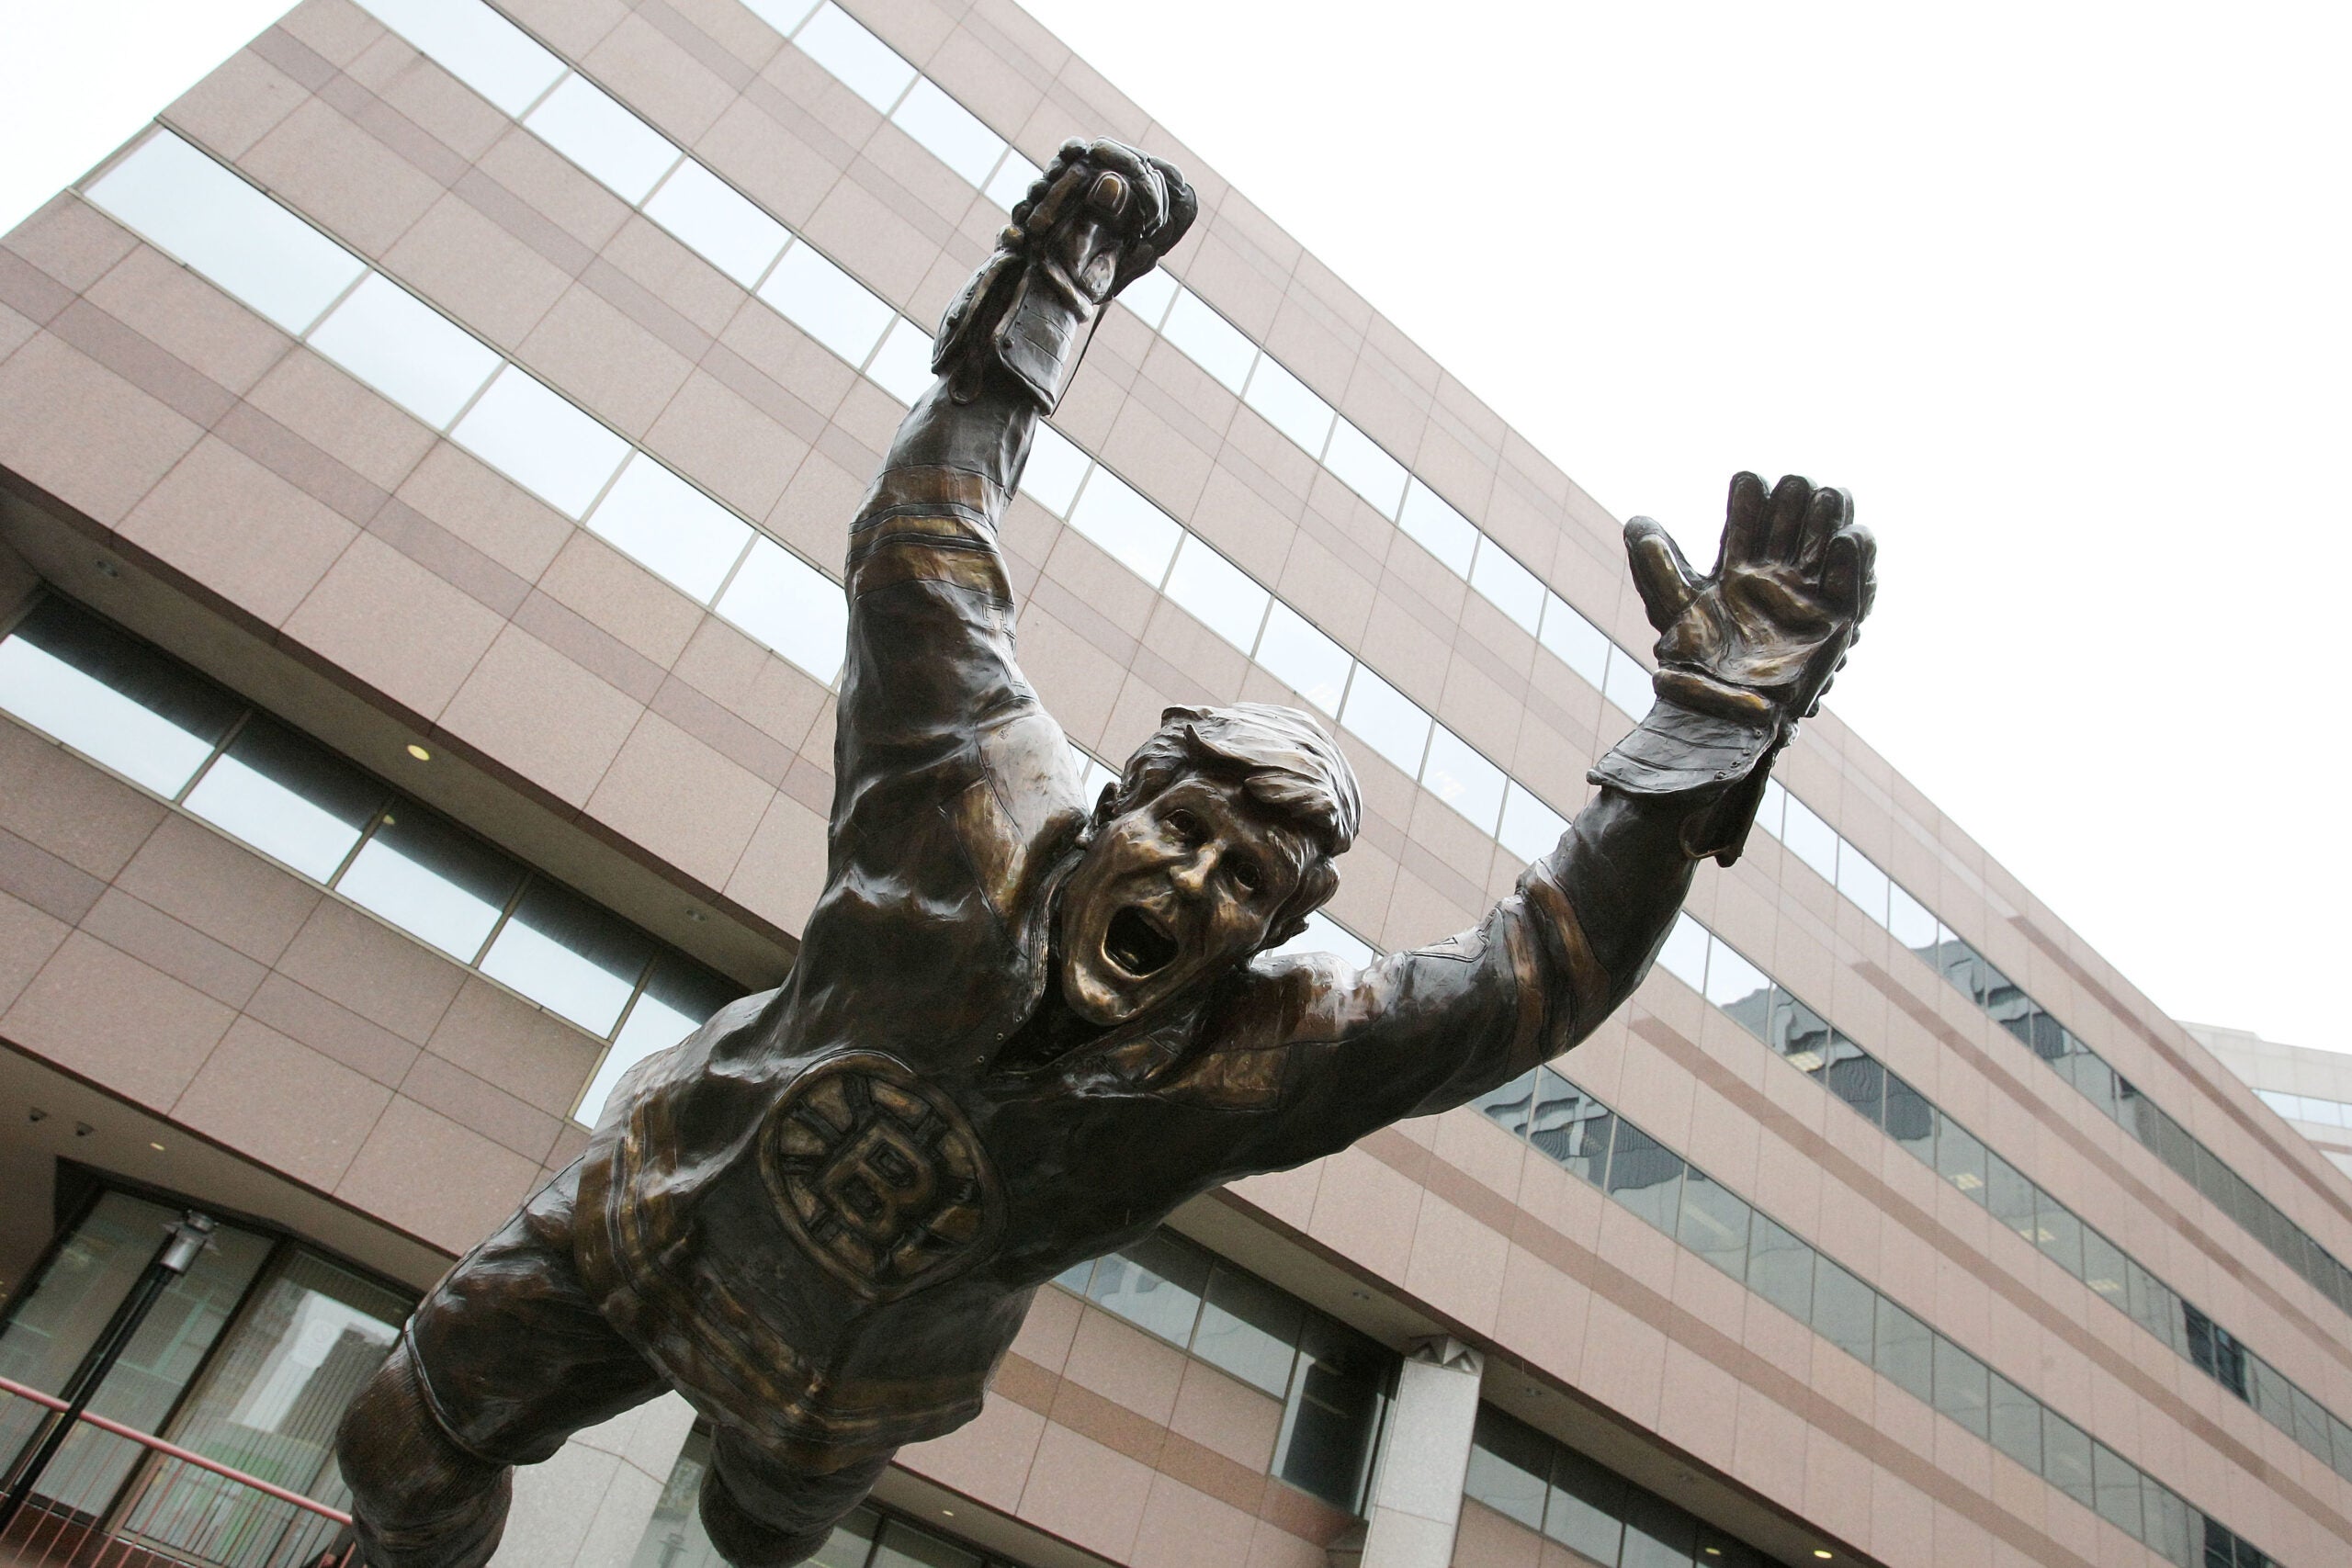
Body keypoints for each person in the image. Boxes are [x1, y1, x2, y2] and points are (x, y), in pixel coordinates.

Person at [334, 138, 1874, 1568]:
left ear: (1278, 932)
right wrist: (1046, 299)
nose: (1195, 884)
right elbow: (926, 546)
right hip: (667, 1206)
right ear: (1115, 807)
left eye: (1246, 887)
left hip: (863, 1369)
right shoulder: (968, 799)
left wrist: (1701, 739)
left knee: (755, 1538)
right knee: (402, 1439)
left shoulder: (1266, 1053)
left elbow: (1531, 979)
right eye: (1185, 833)